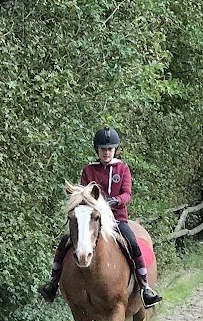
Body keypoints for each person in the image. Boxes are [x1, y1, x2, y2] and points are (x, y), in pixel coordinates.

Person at [38, 126, 162, 308]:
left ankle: (144, 288)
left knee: (133, 243)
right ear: (97, 150)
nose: (106, 152)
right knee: (65, 242)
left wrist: (114, 201)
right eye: (103, 149)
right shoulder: (88, 170)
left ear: (115, 150)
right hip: (91, 220)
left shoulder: (122, 169)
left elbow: (127, 194)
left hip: (116, 218)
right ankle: (53, 284)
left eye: (109, 149)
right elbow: (82, 194)